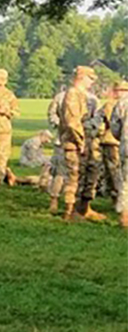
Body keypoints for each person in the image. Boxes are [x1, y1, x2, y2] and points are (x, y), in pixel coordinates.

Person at [55, 66, 104, 221]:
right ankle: (70, 211)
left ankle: (84, 208)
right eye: (90, 78)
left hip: (88, 142)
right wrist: (80, 140)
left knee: (90, 175)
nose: (92, 82)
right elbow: (72, 122)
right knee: (74, 177)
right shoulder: (72, 94)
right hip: (75, 143)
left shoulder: (84, 96)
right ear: (81, 77)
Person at [97, 83, 123, 207]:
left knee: (112, 171)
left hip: (111, 141)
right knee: (115, 171)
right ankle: (117, 198)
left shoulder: (110, 105)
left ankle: (116, 197)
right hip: (113, 141)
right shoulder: (111, 105)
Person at [108, 81, 128, 228]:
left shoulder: (121, 104)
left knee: (126, 182)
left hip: (126, 146)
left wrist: (122, 138)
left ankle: (125, 216)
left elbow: (114, 127)